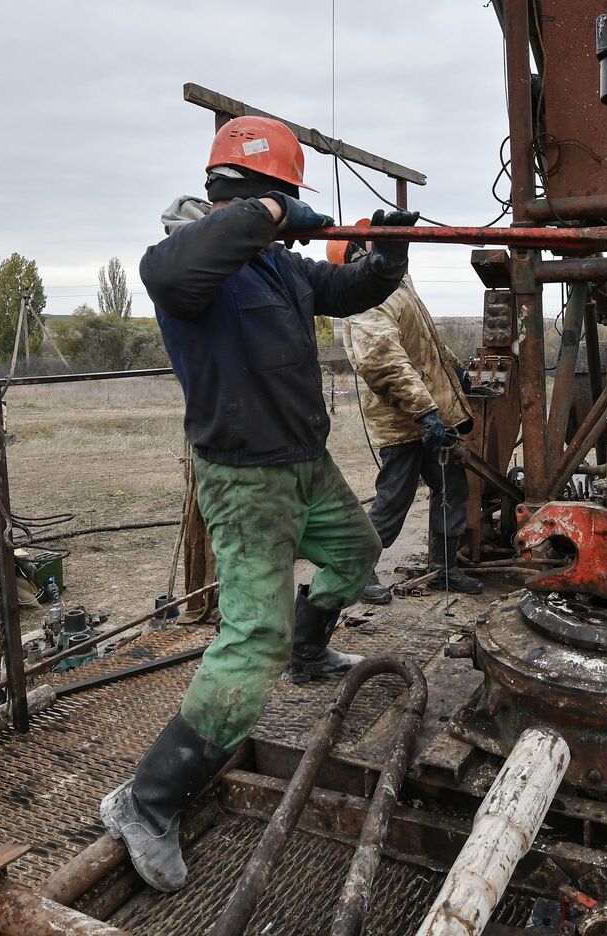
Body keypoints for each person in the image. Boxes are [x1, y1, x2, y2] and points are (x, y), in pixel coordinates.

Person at [100, 115, 418, 893]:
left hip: (304, 468)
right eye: (282, 200)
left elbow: (351, 288)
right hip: (246, 483)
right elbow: (175, 277)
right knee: (249, 649)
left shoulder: (279, 269)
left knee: (354, 553)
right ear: (257, 197)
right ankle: (147, 801)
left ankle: (309, 655)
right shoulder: (184, 267)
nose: (292, 215)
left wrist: (391, 246)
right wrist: (273, 214)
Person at [329, 230, 482, 603]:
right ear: (356, 254)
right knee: (394, 500)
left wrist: (455, 370)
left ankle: (444, 568)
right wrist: (426, 412)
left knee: (451, 487)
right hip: (402, 420)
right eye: (373, 244)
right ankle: (357, 572)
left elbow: (426, 341)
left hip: (428, 412)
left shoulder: (398, 287)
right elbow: (382, 361)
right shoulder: (368, 300)